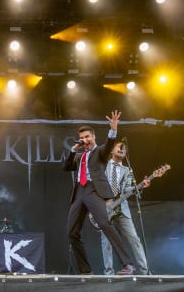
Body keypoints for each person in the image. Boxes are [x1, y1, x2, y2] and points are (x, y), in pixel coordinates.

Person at [64, 110, 134, 275]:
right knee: (72, 233)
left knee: (104, 224)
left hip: (93, 190)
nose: (85, 140)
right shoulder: (79, 156)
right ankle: (86, 270)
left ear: (93, 137)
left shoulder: (100, 152)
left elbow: (109, 145)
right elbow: (66, 167)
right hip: (79, 192)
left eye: (87, 136)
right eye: (82, 137)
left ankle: (128, 265)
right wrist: (73, 150)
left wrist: (113, 130)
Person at [100, 141, 151, 275]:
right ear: (111, 150)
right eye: (119, 146)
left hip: (122, 208)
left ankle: (145, 272)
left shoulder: (127, 170)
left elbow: (128, 189)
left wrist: (141, 185)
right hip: (105, 207)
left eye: (124, 148)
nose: (122, 149)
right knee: (107, 242)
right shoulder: (103, 166)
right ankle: (109, 273)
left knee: (134, 239)